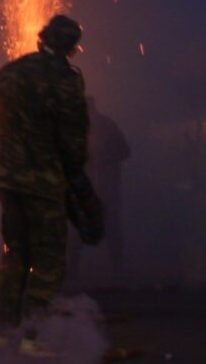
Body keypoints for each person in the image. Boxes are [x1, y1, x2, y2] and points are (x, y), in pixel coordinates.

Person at [0, 14, 104, 357]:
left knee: (17, 253)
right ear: (72, 47)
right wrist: (77, 183)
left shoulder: (11, 72)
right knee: (48, 259)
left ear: (43, 38)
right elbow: (73, 139)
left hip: (8, 181)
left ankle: (2, 332)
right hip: (44, 182)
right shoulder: (68, 80)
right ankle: (34, 337)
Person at [70, 97, 130, 281]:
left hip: (104, 189)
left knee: (111, 230)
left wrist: (104, 153)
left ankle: (116, 270)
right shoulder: (76, 129)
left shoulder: (106, 127)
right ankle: (73, 272)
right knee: (78, 232)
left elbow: (124, 151)